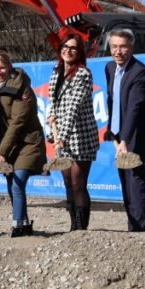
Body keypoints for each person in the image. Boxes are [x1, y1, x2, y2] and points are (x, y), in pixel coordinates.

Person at [0, 49, 46, 237]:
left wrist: (2, 151)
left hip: (29, 141)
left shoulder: (21, 87)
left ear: (9, 66)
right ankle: (25, 223)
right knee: (11, 182)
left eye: (2, 68)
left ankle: (17, 225)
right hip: (9, 143)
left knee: (17, 182)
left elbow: (17, 121)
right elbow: (0, 120)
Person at [104, 29, 145, 231]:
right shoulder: (110, 68)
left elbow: (135, 108)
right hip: (120, 135)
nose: (118, 51)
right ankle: (132, 226)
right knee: (125, 183)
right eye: (114, 46)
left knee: (135, 182)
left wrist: (125, 139)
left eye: (123, 46)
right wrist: (112, 129)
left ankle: (139, 232)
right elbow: (114, 100)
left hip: (139, 137)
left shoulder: (140, 73)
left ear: (131, 47)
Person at [47, 32, 99, 231]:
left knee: (78, 183)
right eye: (65, 47)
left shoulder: (83, 74)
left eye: (73, 48)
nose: (68, 51)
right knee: (67, 182)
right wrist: (53, 131)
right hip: (61, 136)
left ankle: (81, 229)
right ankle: (72, 226)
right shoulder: (56, 72)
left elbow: (72, 108)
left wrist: (62, 137)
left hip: (80, 137)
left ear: (79, 52)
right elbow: (54, 103)